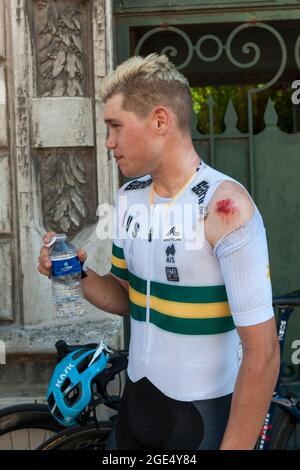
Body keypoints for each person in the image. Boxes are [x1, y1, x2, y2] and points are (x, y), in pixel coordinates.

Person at [38, 53, 280, 450]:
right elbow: (126, 298)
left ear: (161, 121)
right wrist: (74, 274)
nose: (108, 142)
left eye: (116, 126)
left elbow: (264, 353)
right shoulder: (129, 198)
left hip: (203, 417)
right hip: (138, 409)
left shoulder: (226, 207)